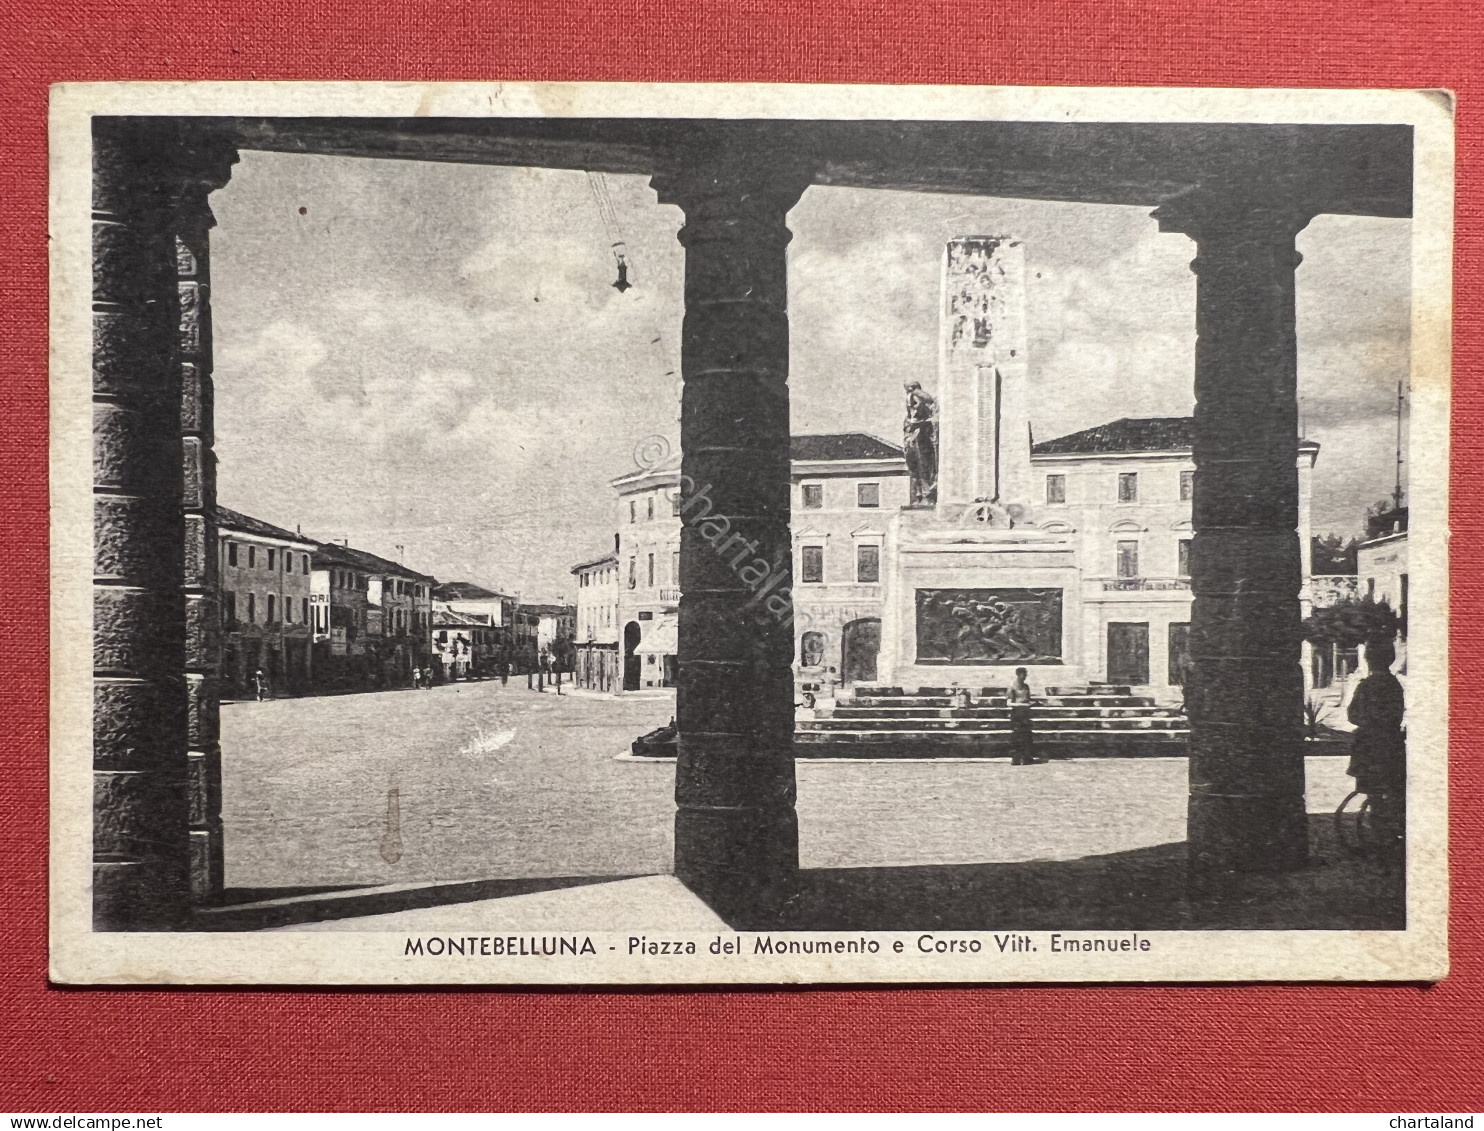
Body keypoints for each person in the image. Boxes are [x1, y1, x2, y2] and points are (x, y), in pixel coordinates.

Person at [1347, 635, 1406, 856]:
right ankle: (1391, 835)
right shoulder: (1394, 685)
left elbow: (1353, 715)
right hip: (1391, 747)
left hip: (1369, 749)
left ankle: (1380, 840)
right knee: (1392, 791)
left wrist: (1368, 720)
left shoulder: (1367, 686)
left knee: (1375, 794)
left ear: (1369, 659)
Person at [1008, 667, 1039, 765]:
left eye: (1025, 674)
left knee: (1027, 736)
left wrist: (1033, 703)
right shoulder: (1012, 687)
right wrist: (1023, 705)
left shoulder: (1026, 687)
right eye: (1023, 674)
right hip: (1016, 714)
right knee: (1017, 736)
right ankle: (1016, 758)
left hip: (1025, 714)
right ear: (1018, 674)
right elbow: (1009, 703)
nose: (1025, 676)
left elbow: (1028, 699)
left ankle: (1026, 757)